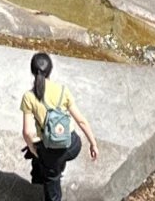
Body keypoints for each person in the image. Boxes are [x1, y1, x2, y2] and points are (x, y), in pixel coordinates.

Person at [20, 52, 98, 201]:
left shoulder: (29, 97)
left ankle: (51, 175)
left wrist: (33, 149)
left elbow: (28, 132)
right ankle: (54, 167)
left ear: (32, 72)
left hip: (50, 151)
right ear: (50, 70)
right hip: (72, 145)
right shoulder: (63, 90)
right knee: (50, 157)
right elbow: (81, 121)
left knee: (51, 178)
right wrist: (93, 144)